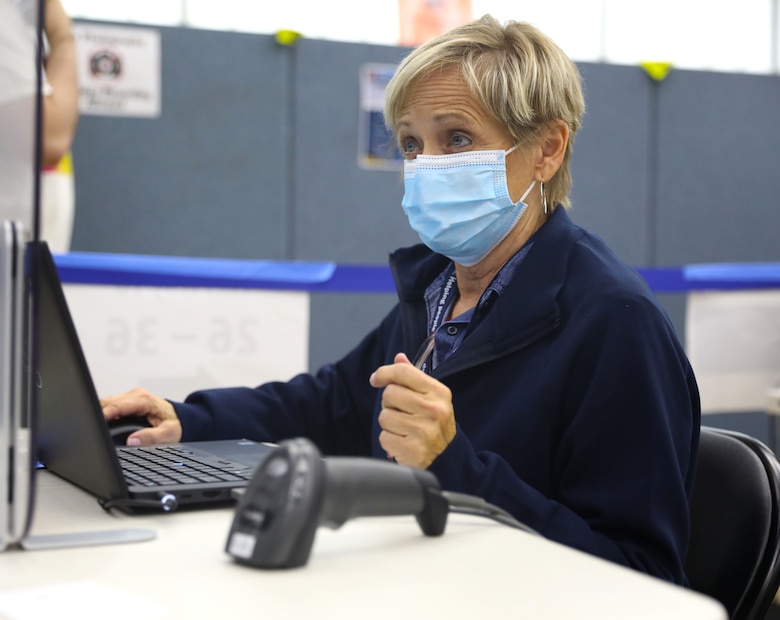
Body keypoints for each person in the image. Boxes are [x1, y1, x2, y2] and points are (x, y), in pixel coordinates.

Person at [101, 15, 700, 585]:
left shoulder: (616, 322)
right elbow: (333, 403)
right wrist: (190, 419)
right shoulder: (440, 290)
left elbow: (642, 573)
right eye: (411, 145)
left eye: (457, 138)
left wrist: (453, 467)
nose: (426, 166)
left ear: (546, 150)